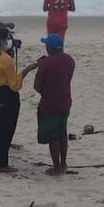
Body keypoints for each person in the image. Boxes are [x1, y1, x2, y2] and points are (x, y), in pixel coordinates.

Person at [0, 28, 39, 173]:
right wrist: (27, 70)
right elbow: (14, 85)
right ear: (3, 40)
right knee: (6, 129)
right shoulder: (5, 60)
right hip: (6, 94)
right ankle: (3, 164)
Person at [34, 33, 75, 175]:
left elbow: (37, 85)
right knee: (62, 133)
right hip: (65, 100)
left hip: (50, 103)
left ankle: (56, 167)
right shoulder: (69, 60)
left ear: (50, 48)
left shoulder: (46, 63)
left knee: (53, 137)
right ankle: (63, 163)